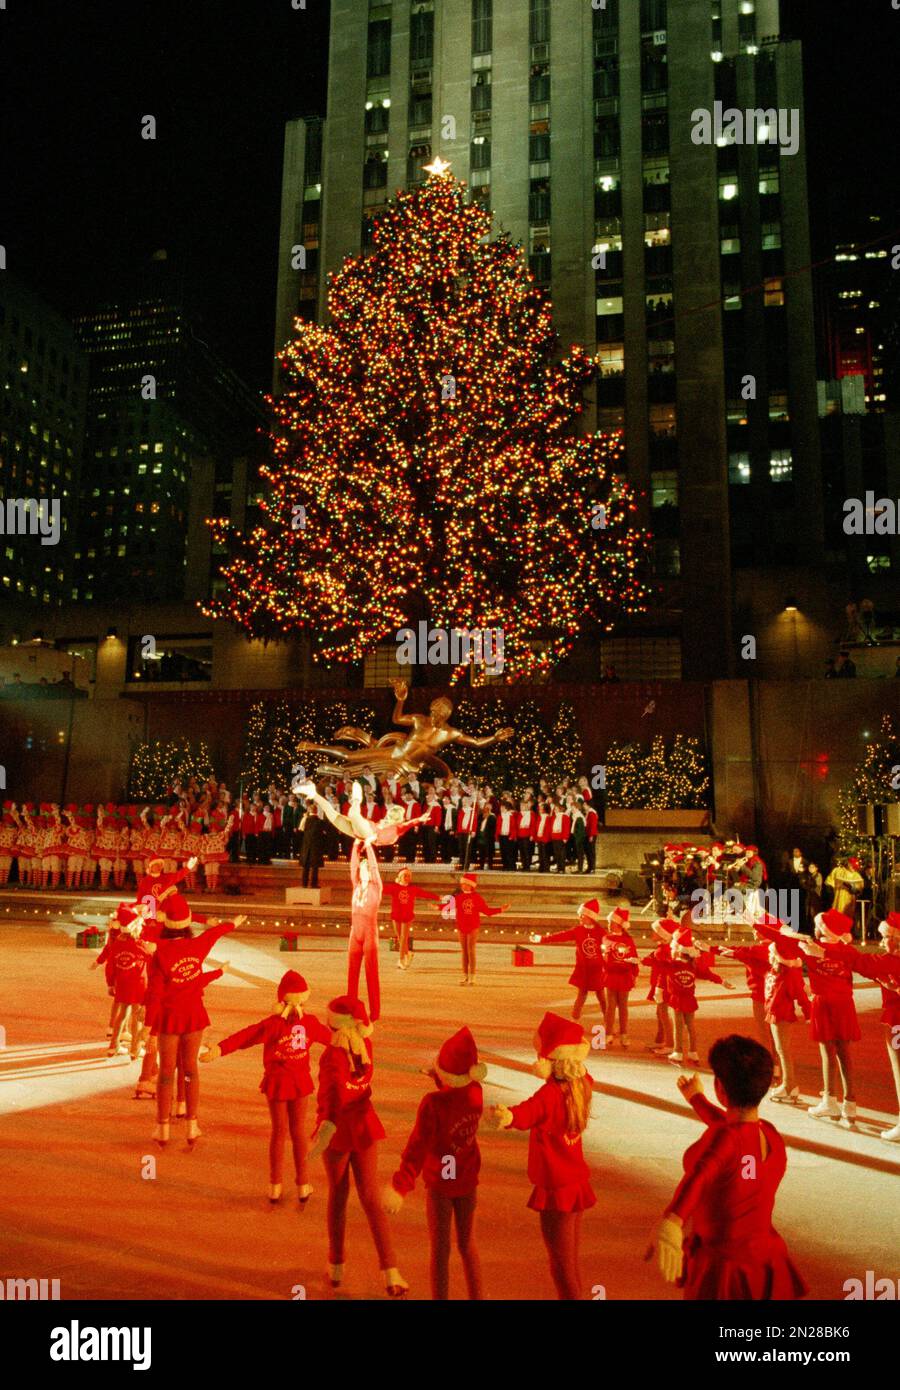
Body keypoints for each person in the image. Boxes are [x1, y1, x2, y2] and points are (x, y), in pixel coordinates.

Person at [646, 1036, 807, 1300]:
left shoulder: (726, 1141)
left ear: (720, 1086)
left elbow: (702, 1173)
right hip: (765, 1259)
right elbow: (734, 1130)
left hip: (724, 1267)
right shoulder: (770, 1135)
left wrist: (673, 1219)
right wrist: (697, 1100)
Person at [489, 1013, 595, 1300]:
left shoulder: (550, 1094)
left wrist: (507, 1115)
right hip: (576, 1183)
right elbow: (579, 1075)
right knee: (571, 1261)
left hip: (556, 1186)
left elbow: (528, 1112)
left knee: (560, 1266)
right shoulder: (581, 1085)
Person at [309, 995, 408, 1297]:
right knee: (370, 1197)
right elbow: (359, 1087)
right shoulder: (367, 1049)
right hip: (364, 1125)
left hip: (338, 1131)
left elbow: (329, 1097)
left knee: (338, 1196)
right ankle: (390, 1270)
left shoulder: (331, 1057)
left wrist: (323, 1130)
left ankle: (336, 1263)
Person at [204, 970, 330, 1203]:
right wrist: (356, 1041)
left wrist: (220, 1048)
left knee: (279, 1132)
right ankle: (302, 1184)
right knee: (298, 1132)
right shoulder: (310, 1024)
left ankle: (275, 1184)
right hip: (299, 1082)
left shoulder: (272, 1025)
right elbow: (332, 1039)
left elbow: (246, 1036)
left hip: (278, 1083)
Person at [384, 1027, 485, 1300]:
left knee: (441, 1250)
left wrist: (401, 1185)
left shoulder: (433, 1105)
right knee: (467, 1245)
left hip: (442, 1181)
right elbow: (455, 1098)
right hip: (466, 1178)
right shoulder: (476, 1092)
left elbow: (418, 1146)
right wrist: (441, 1079)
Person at [147, 895, 241, 1148]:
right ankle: (191, 1124)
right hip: (194, 1016)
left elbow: (155, 993)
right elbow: (215, 934)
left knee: (166, 1074)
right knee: (190, 1071)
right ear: (188, 921)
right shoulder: (198, 944)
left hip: (169, 1018)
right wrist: (232, 923)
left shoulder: (160, 952)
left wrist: (148, 1027)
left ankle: (162, 1127)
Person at [531, 899, 607, 1021]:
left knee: (601, 996)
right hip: (584, 970)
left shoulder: (601, 932)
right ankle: (575, 1019)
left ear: (590, 917)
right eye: (580, 915)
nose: (580, 918)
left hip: (597, 970)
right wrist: (542, 939)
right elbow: (561, 936)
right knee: (581, 995)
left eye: (582, 916)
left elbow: (609, 947)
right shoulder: (578, 931)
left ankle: (608, 1019)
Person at [440, 872, 509, 986]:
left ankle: (472, 975)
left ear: (471, 885)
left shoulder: (476, 898)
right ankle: (465, 975)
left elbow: (487, 911)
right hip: (462, 925)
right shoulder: (459, 897)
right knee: (464, 951)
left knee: (470, 950)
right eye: (462, 884)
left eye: (465, 884)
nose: (463, 886)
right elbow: (448, 906)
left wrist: (500, 909)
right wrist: (437, 907)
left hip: (473, 925)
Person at [347, 837, 383, 1022]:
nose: (362, 872)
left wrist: (368, 846)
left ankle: (375, 1011)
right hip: (355, 932)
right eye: (361, 870)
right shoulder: (357, 886)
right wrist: (355, 845)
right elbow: (353, 866)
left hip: (369, 932)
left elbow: (375, 869)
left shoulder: (376, 886)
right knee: (352, 974)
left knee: (371, 974)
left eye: (365, 869)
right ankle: (350, 1007)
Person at [383, 865, 439, 970]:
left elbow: (424, 894)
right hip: (396, 915)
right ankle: (408, 953)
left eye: (408, 876)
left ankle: (401, 960)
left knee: (404, 937)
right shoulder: (394, 887)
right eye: (405, 875)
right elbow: (381, 889)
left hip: (407, 915)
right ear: (399, 876)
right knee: (400, 937)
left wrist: (437, 897)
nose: (407, 877)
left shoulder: (413, 889)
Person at [601, 906, 640, 1048]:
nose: (609, 925)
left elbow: (634, 958)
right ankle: (608, 1033)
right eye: (609, 922)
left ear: (620, 925)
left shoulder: (628, 940)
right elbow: (605, 952)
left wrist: (635, 973)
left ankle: (624, 1034)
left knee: (623, 1007)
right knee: (610, 1007)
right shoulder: (606, 938)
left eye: (612, 922)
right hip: (611, 976)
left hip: (624, 977)